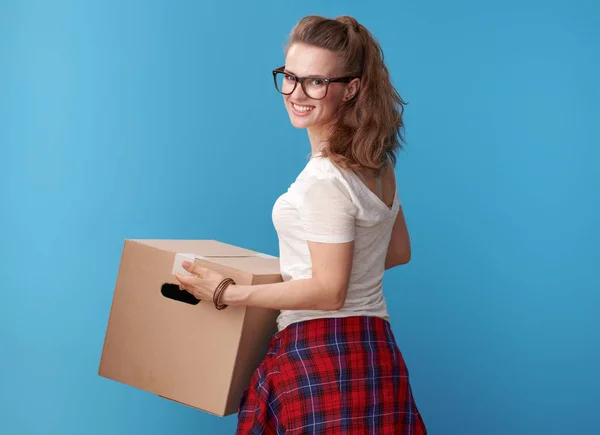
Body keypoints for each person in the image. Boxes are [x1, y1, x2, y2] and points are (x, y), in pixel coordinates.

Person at [175, 14, 427, 434]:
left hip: (321, 354)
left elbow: (329, 292)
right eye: (289, 77)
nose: (295, 93)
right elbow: (398, 252)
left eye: (315, 81)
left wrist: (228, 292)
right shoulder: (377, 167)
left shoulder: (323, 180)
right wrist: (319, 269)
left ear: (352, 88)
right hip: (374, 351)